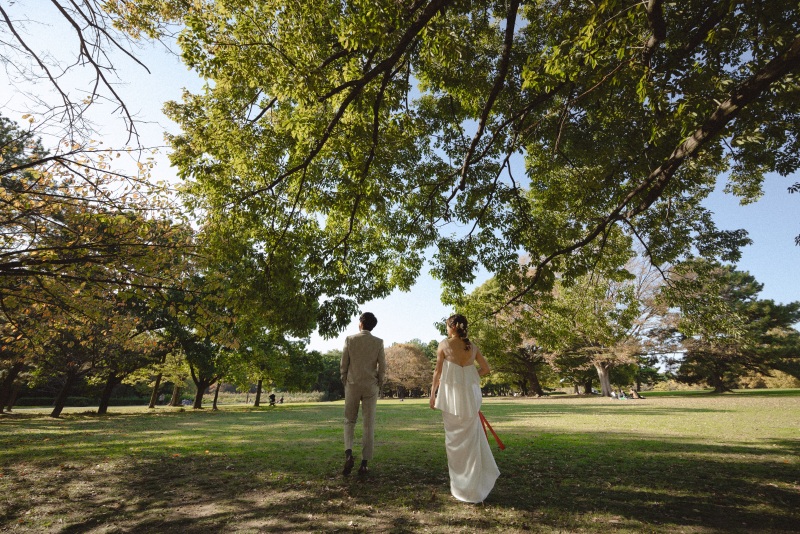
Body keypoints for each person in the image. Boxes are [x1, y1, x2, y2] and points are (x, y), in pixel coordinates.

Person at [430, 314, 500, 503]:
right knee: (471, 442)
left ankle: (460, 488)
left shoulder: (444, 344)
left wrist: (432, 394)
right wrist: (469, 376)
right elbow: (486, 369)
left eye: (447, 326)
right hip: (469, 398)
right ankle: (474, 488)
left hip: (451, 399)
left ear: (452, 326)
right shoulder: (473, 347)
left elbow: (438, 372)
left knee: (453, 442)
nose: (446, 330)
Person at [340, 312, 386, 476]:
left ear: (360, 323)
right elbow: (382, 366)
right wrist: (379, 383)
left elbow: (344, 363)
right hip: (370, 385)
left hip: (352, 384)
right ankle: (364, 463)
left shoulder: (350, 340)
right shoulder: (378, 342)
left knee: (349, 420)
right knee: (368, 424)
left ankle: (348, 453)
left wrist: (345, 379)